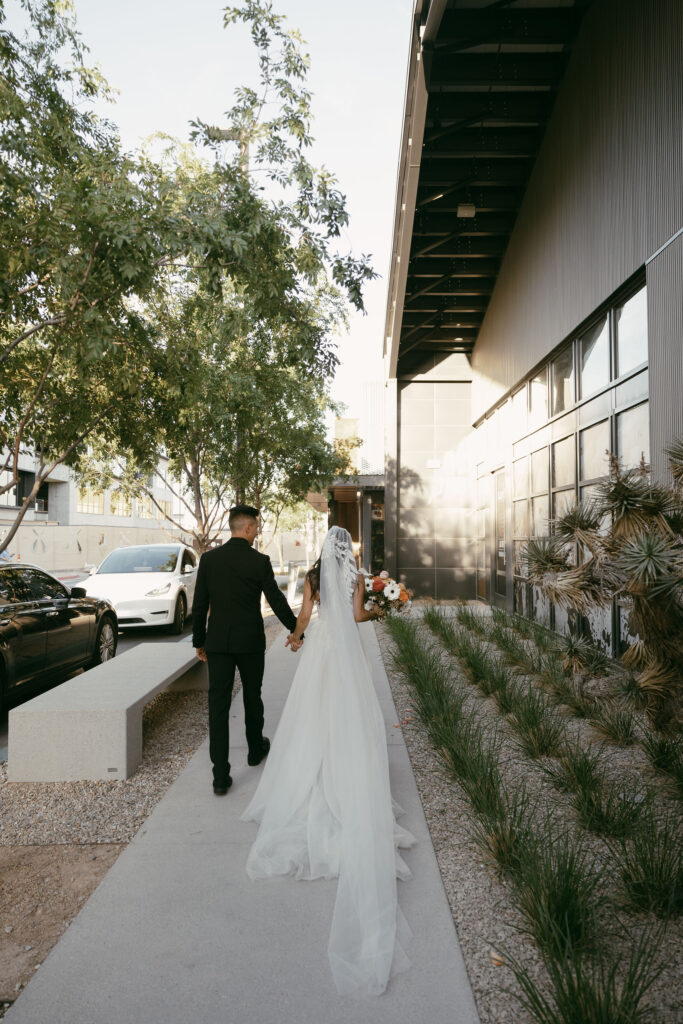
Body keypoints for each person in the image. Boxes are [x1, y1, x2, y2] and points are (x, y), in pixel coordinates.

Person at [241, 526, 415, 996]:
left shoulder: (313, 576)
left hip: (321, 651)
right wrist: (383, 608)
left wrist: (297, 640)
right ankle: (344, 775)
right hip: (347, 655)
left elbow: (302, 617)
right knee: (352, 715)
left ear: (322, 551)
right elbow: (357, 615)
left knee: (312, 716)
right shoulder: (356, 576)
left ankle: (313, 777)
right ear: (348, 551)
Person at [192, 504, 301, 795]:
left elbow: (200, 604)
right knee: (253, 696)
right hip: (250, 643)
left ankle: (220, 776)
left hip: (217, 644)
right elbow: (276, 600)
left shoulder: (210, 560)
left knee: (218, 706)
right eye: (256, 526)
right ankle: (255, 750)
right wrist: (296, 629)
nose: (258, 532)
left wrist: (199, 642)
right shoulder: (259, 561)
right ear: (247, 528)